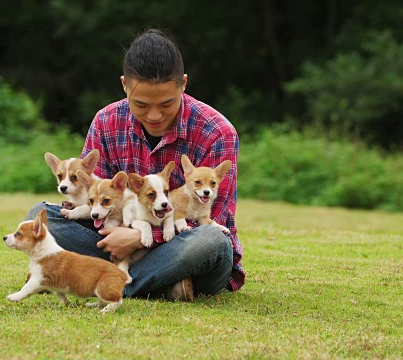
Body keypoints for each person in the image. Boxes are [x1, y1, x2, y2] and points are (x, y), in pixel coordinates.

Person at [25, 28, 244, 301]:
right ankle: (160, 282)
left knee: (210, 242)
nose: (154, 115)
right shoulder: (106, 122)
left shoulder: (218, 132)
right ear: (124, 86)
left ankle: (108, 282)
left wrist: (141, 237)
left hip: (184, 246)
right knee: (40, 217)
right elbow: (95, 202)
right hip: (113, 240)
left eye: (167, 104)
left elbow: (212, 219)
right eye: (141, 104)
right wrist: (118, 233)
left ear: (184, 84)